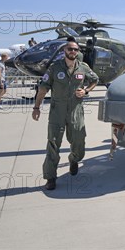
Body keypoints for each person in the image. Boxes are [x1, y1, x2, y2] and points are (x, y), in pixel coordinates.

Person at [32, 40, 98, 191]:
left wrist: (86, 90)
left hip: (76, 111)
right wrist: (36, 107)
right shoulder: (55, 68)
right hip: (57, 111)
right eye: (70, 49)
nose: (73, 51)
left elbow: (95, 80)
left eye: (75, 49)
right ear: (64, 51)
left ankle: (74, 159)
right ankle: (50, 177)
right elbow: (43, 89)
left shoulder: (83, 67)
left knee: (79, 141)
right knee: (53, 143)